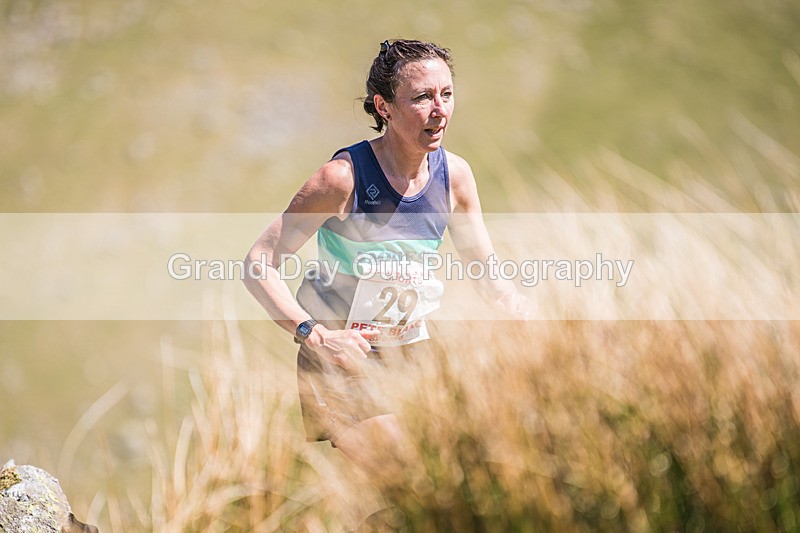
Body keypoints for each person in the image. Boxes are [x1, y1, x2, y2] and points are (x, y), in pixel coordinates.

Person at [244, 39, 531, 479]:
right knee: (410, 475)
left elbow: (483, 267)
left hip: (414, 359)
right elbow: (258, 264)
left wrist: (512, 305)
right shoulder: (341, 179)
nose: (440, 110)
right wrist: (315, 336)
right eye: (421, 97)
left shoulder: (455, 176)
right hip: (341, 365)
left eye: (447, 94)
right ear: (384, 107)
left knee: (450, 483)